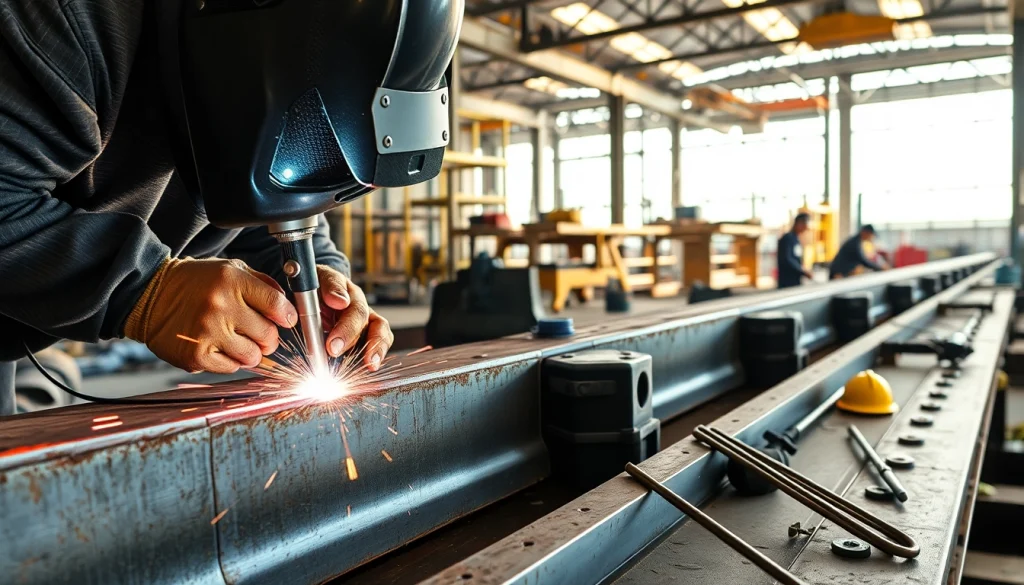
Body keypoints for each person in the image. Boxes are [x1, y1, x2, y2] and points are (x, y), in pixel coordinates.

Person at [0, 1, 406, 414]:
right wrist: (148, 290)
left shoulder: (268, 62)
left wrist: (312, 276)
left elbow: (266, 180)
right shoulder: (71, 19)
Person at [777, 214, 814, 289]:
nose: (805, 229)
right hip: (787, 282)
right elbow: (787, 259)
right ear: (799, 223)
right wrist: (802, 271)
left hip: (795, 280)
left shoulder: (796, 239)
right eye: (805, 225)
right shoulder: (788, 238)